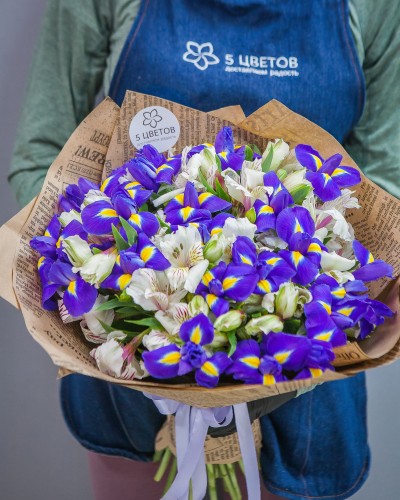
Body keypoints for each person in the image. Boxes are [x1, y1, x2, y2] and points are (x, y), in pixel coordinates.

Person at [9, 1, 400, 499]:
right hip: (128, 362)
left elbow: (386, 182)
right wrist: (104, 280)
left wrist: (280, 340)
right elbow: (40, 155)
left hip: (311, 356)